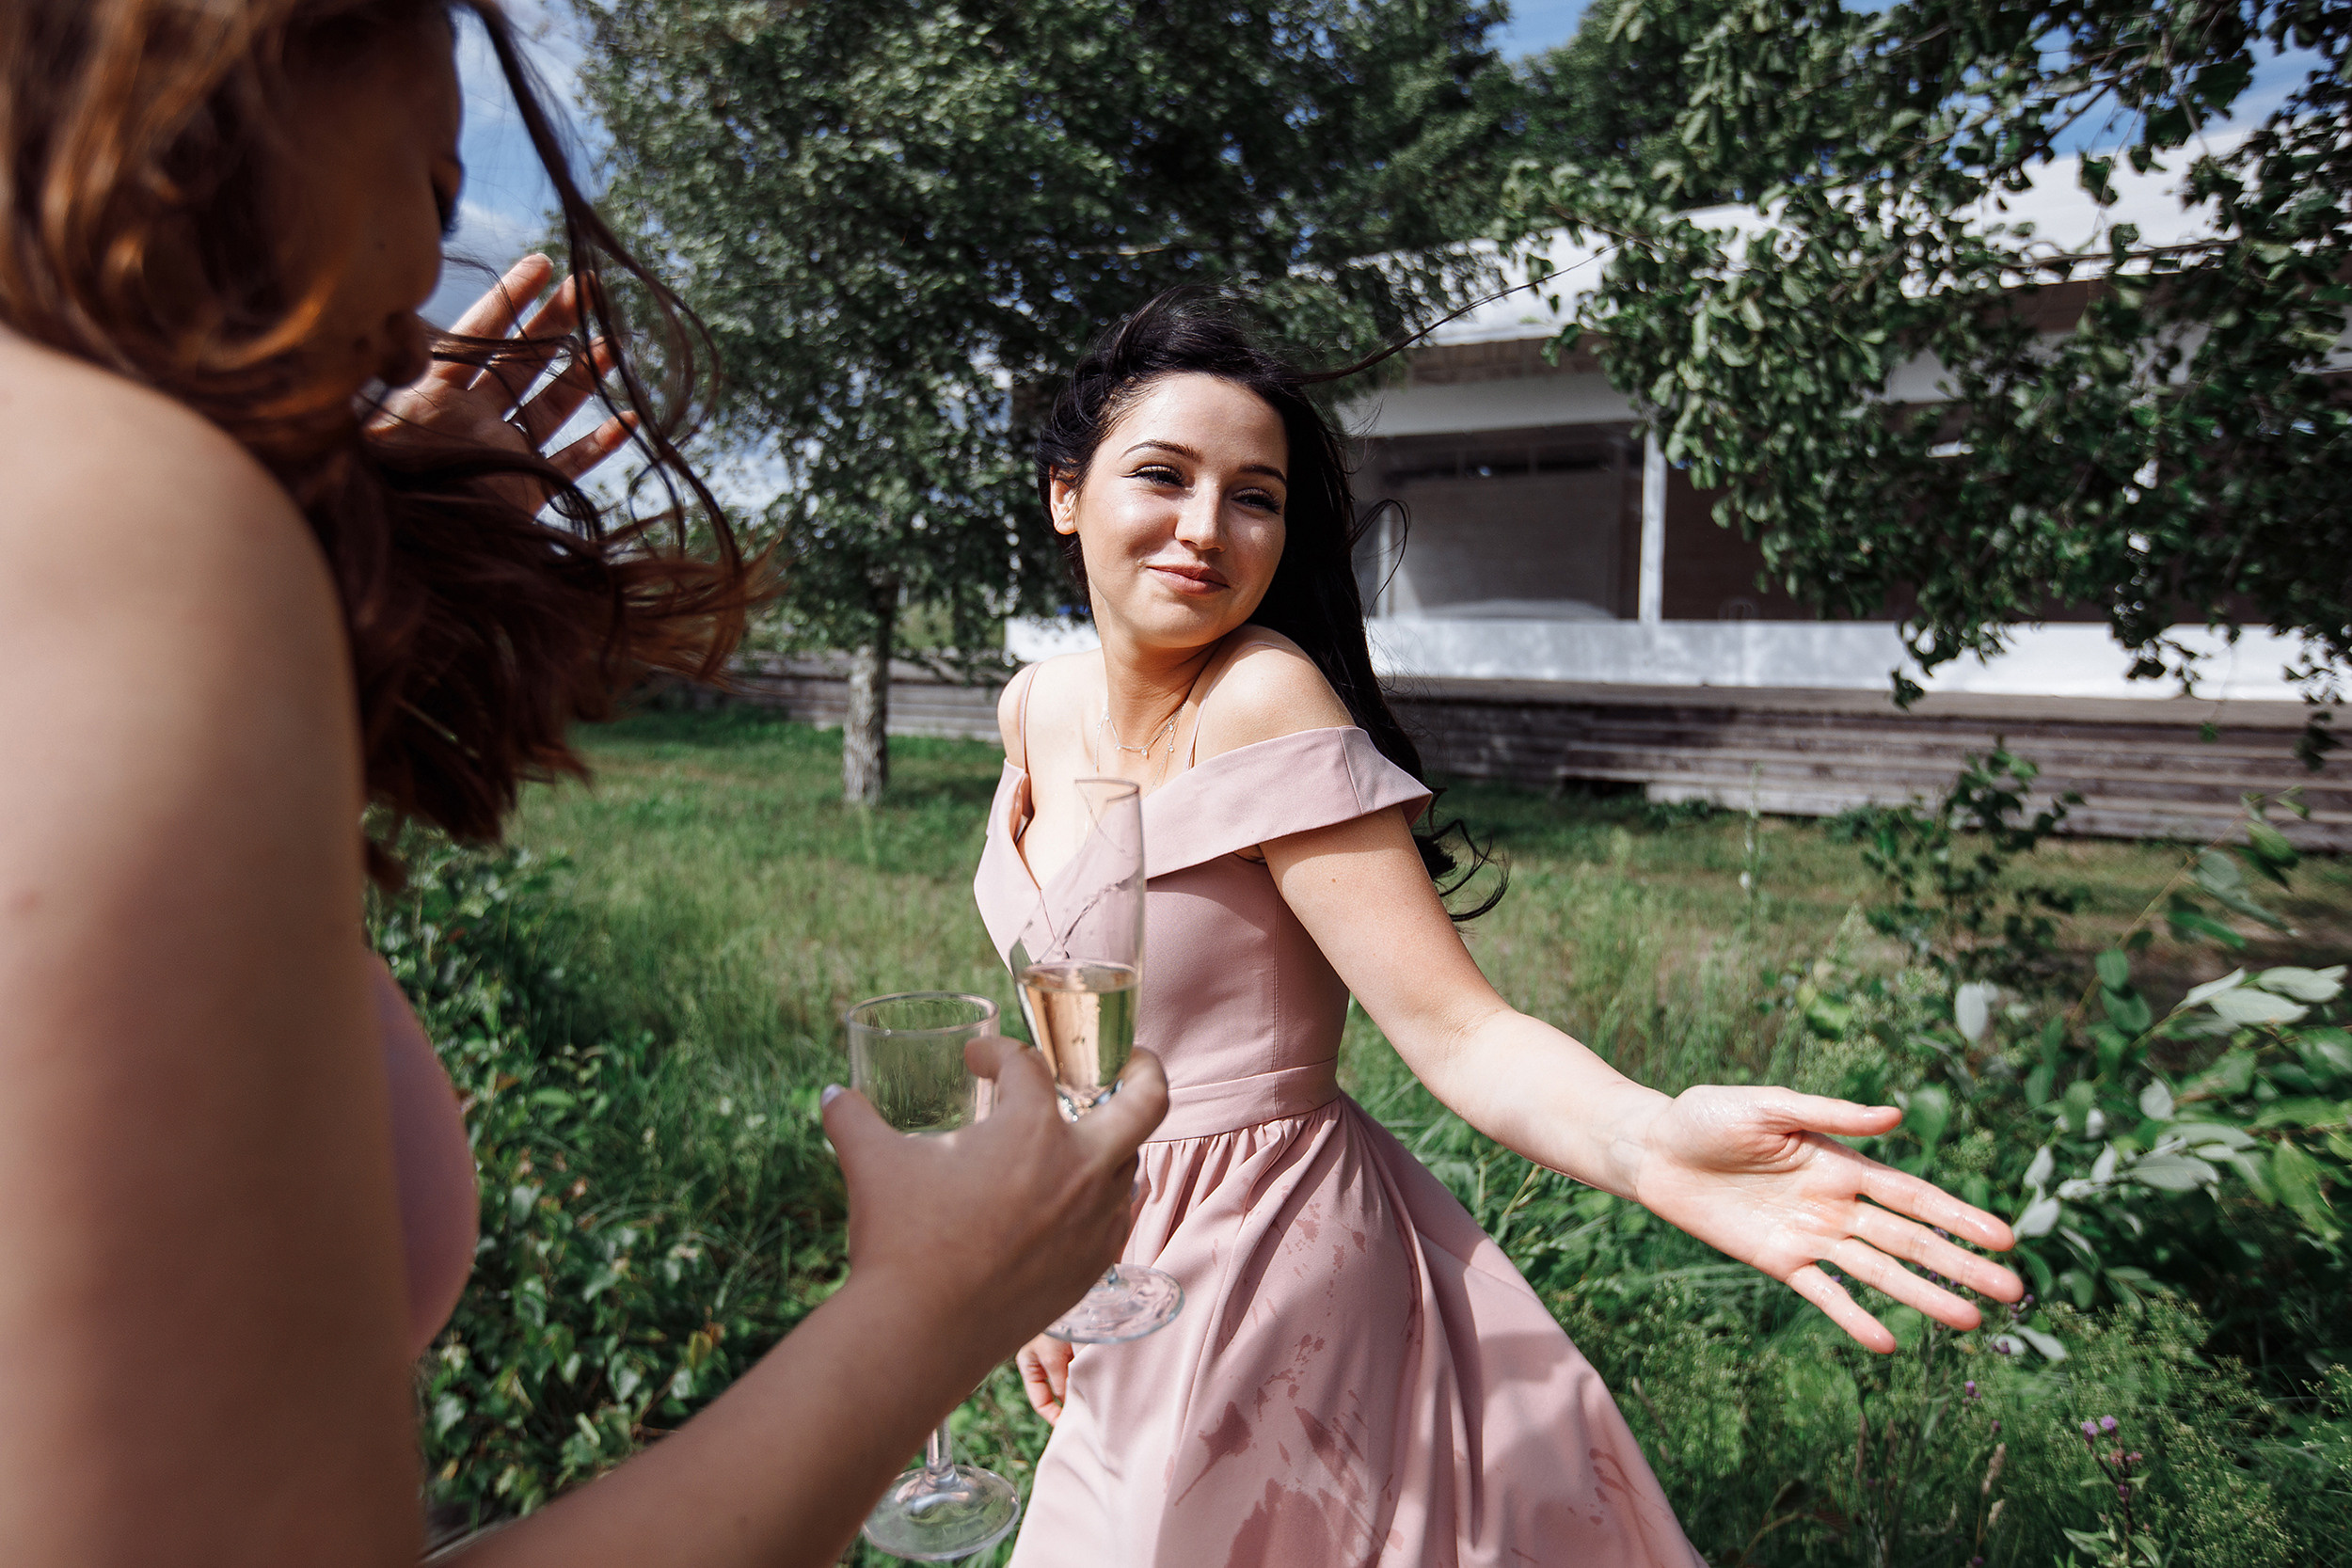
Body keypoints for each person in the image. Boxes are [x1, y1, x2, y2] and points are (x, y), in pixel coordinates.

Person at [0, 3, 1166, 1564]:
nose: (422, 318)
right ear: (220, 76)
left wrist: (342, 574)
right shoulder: (122, 525)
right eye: (429, 185)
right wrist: (937, 1308)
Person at [977, 292, 2028, 1566]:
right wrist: (1046, 1259)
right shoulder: (1035, 705)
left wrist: (1650, 1144)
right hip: (1116, 1248)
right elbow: (1067, 1026)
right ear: (1065, 496)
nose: (1208, 526)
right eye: (1162, 475)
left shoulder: (1261, 696)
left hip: (1265, 1266)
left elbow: (1461, 1033)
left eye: (1255, 495)